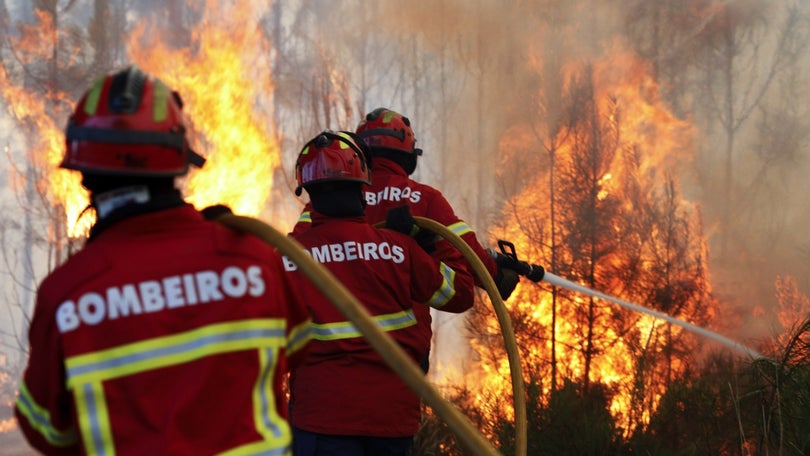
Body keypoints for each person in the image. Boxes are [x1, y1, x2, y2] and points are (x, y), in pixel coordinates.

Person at [14, 66, 311, 456]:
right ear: (179, 161)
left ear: (83, 174)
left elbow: (47, 432)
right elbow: (297, 348)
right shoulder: (253, 259)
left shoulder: (67, 295)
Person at [285, 130, 475, 455]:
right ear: (363, 187)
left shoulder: (288, 260)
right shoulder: (401, 250)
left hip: (321, 419)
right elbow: (459, 293)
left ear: (310, 196)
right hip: (392, 420)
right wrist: (429, 245)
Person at [292, 108, 521, 370]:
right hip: (402, 346)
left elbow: (296, 252)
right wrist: (494, 276)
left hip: (328, 344)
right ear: (408, 154)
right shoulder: (422, 198)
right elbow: (465, 247)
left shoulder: (320, 205)